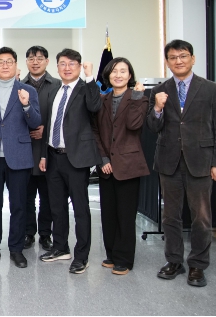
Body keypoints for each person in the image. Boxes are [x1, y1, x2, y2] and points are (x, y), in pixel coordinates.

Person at [147, 39, 216, 287]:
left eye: (183, 56)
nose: (178, 61)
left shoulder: (211, 89)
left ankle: (197, 264)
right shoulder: (159, 90)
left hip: (201, 162)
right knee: (170, 216)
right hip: (169, 162)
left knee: (201, 217)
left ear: (192, 59)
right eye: (173, 57)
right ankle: (174, 261)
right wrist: (157, 108)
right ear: (167, 62)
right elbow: (153, 127)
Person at [0, 47, 41, 268]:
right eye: (0, 62)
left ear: (15, 65)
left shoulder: (28, 90)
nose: (5, 65)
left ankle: (16, 249)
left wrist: (26, 105)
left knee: (19, 205)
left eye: (9, 61)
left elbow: (36, 122)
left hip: (19, 156)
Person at [38, 48, 101, 275]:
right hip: (54, 156)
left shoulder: (86, 89)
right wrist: (44, 154)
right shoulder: (55, 89)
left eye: (72, 64)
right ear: (57, 67)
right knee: (57, 206)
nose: (67, 68)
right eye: (63, 64)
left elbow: (95, 107)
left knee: (81, 209)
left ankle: (81, 256)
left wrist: (90, 77)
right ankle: (60, 247)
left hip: (76, 158)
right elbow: (49, 124)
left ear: (79, 67)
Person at [91, 57, 149, 275]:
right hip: (106, 166)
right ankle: (112, 254)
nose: (118, 75)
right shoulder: (102, 100)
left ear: (130, 75)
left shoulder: (139, 98)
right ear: (108, 75)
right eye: (114, 71)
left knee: (125, 215)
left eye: (123, 71)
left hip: (128, 165)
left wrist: (137, 97)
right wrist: (103, 159)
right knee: (108, 214)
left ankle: (124, 259)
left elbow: (134, 124)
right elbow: (95, 131)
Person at [21, 46, 59, 251]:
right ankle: (28, 232)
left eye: (39, 58)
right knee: (26, 196)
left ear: (47, 61)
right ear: (26, 61)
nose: (35, 62)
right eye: (31, 58)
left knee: (48, 196)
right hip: (25, 150)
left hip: (48, 151)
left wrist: (46, 128)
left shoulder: (58, 85)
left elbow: (65, 116)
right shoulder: (19, 86)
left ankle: (45, 234)